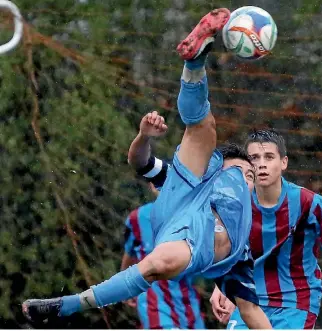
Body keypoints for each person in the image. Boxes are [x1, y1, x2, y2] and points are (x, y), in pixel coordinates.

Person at [22, 8, 272, 329]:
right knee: (203, 127)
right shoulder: (206, 175)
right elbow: (140, 163)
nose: (243, 179)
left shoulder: (240, 253)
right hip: (187, 197)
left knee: (160, 263)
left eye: (248, 175)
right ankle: (194, 62)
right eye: (239, 171)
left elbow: (251, 312)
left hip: (189, 238)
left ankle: (67, 305)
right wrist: (143, 136)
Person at [210, 129, 322, 329]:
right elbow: (230, 250)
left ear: (284, 162)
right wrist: (221, 288)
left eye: (269, 157)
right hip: (250, 300)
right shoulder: (238, 204)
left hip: (296, 304)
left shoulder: (308, 202)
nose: (261, 164)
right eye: (254, 158)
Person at [121, 187, 206, 329]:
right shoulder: (138, 218)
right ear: (152, 185)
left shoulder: (196, 219)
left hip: (189, 307)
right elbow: (129, 255)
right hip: (155, 306)